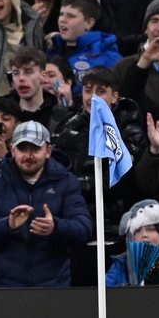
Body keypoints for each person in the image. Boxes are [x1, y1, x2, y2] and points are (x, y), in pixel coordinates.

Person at [0, 120, 92, 287]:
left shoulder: (67, 181)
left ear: (48, 151)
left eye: (35, 149)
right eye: (22, 149)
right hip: (4, 288)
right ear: (12, 150)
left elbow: (84, 229)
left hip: (54, 288)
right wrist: (7, 225)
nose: (28, 156)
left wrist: (55, 227)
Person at [51, 66, 147, 234]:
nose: (93, 97)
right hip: (74, 221)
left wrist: (70, 188)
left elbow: (120, 180)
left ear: (114, 96)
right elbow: (54, 169)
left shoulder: (130, 131)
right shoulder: (68, 127)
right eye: (88, 91)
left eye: (101, 91)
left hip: (115, 225)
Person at [45, 0, 122, 94]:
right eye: (61, 14)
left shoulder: (109, 58)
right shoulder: (51, 51)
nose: (62, 20)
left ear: (89, 23)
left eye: (71, 16)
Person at [114, 0, 159, 123]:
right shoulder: (123, 66)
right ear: (145, 28)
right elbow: (121, 108)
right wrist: (144, 62)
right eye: (154, 21)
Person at [0, 46, 68, 132]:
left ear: (43, 76)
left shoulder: (58, 113)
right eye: (16, 73)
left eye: (28, 72)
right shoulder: (0, 110)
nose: (21, 78)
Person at [105, 199, 159, 287]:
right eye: (138, 231)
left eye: (150, 229)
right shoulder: (120, 265)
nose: (144, 235)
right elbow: (105, 294)